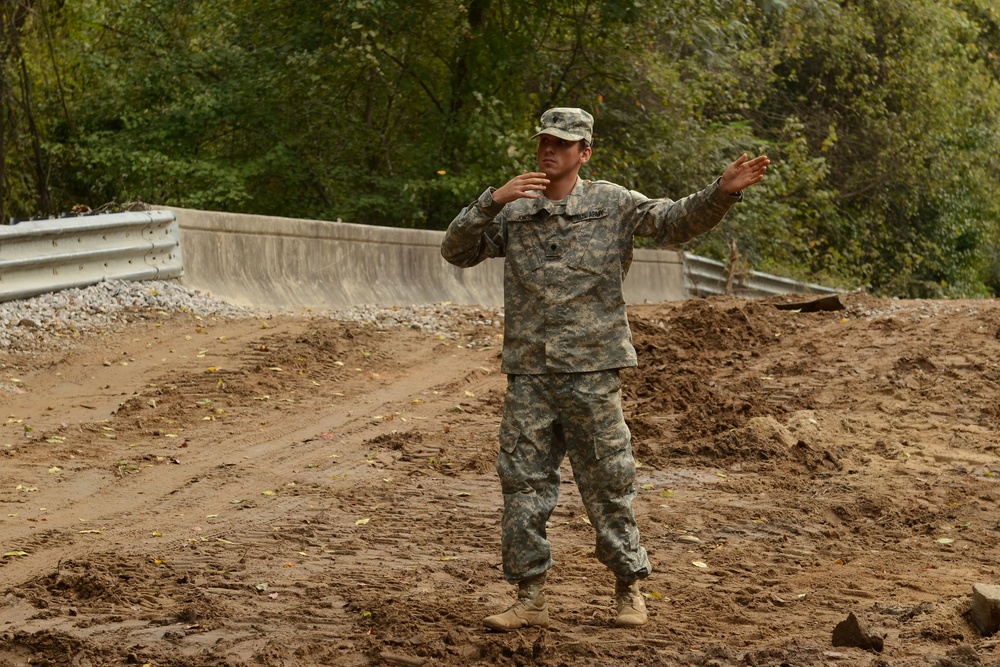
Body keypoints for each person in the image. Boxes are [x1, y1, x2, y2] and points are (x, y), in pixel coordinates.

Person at [441, 107, 769, 631]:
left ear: (584, 153)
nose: (550, 150)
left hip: (593, 373)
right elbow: (455, 251)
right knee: (522, 484)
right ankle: (529, 596)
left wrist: (722, 192)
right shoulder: (515, 210)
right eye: (545, 141)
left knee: (609, 483)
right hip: (530, 373)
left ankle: (629, 588)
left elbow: (674, 221)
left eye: (563, 144)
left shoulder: (612, 203)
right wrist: (491, 201)